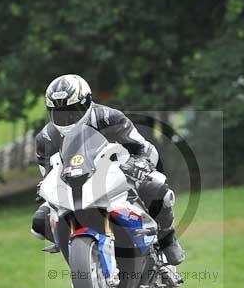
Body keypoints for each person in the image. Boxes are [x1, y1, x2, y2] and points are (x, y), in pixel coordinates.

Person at [30, 74, 185, 265]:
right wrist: (45, 188)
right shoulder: (46, 138)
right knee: (39, 221)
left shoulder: (110, 117)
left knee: (157, 190)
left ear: (87, 103)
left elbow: (142, 148)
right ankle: (78, 252)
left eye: (72, 110)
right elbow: (47, 174)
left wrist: (138, 165)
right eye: (59, 112)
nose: (67, 117)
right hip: (73, 186)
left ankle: (168, 239)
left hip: (116, 175)